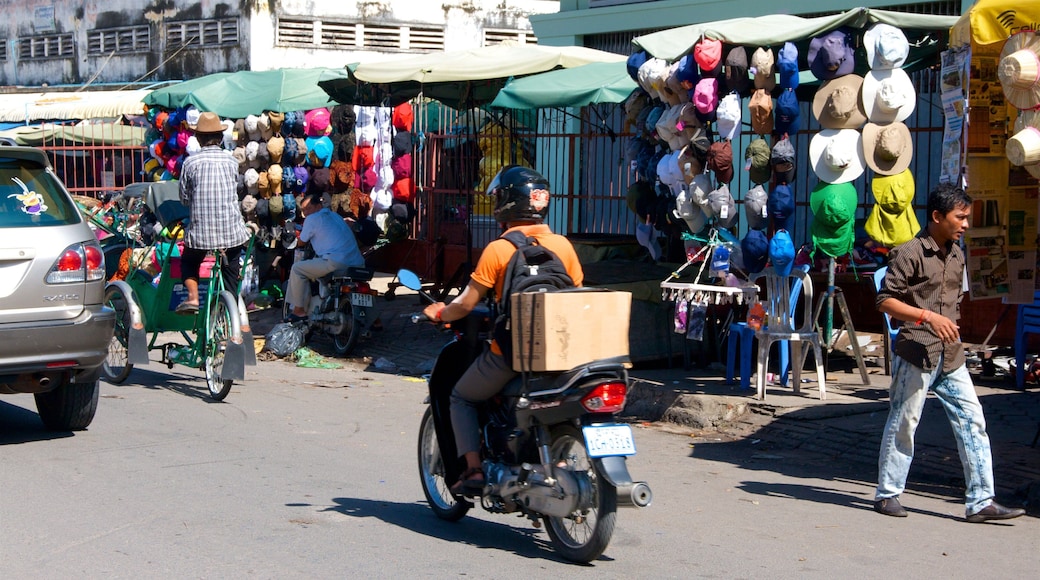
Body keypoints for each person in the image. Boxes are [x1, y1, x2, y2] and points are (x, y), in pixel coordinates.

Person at [422, 166, 584, 495]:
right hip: (563, 353)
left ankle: (474, 469)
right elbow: (578, 296)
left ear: (507, 203)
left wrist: (441, 312)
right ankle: (557, 459)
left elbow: (466, 304)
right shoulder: (563, 246)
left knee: (461, 397)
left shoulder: (499, 249)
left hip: (513, 355)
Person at [873, 183, 1024, 523]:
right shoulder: (908, 253)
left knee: (973, 420)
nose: (966, 224)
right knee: (904, 423)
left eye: (967, 217)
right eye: (961, 217)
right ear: (938, 217)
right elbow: (885, 301)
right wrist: (927, 316)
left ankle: (981, 501)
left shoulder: (957, 253)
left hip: (951, 355)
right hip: (916, 351)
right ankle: (887, 494)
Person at [177, 112, 251, 314]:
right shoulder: (231, 162)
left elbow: (184, 199)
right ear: (220, 138)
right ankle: (231, 310)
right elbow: (235, 189)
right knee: (231, 267)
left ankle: (192, 298)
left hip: (201, 234)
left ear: (199, 139)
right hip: (231, 232)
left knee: (189, 262)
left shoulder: (190, 163)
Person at [284, 192, 365, 322]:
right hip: (357, 262)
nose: (306, 213)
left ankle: (299, 311)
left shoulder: (312, 219)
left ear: (318, 206)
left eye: (308, 208)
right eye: (304, 210)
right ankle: (376, 320)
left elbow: (302, 241)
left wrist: (295, 241)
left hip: (335, 262)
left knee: (297, 269)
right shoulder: (336, 216)